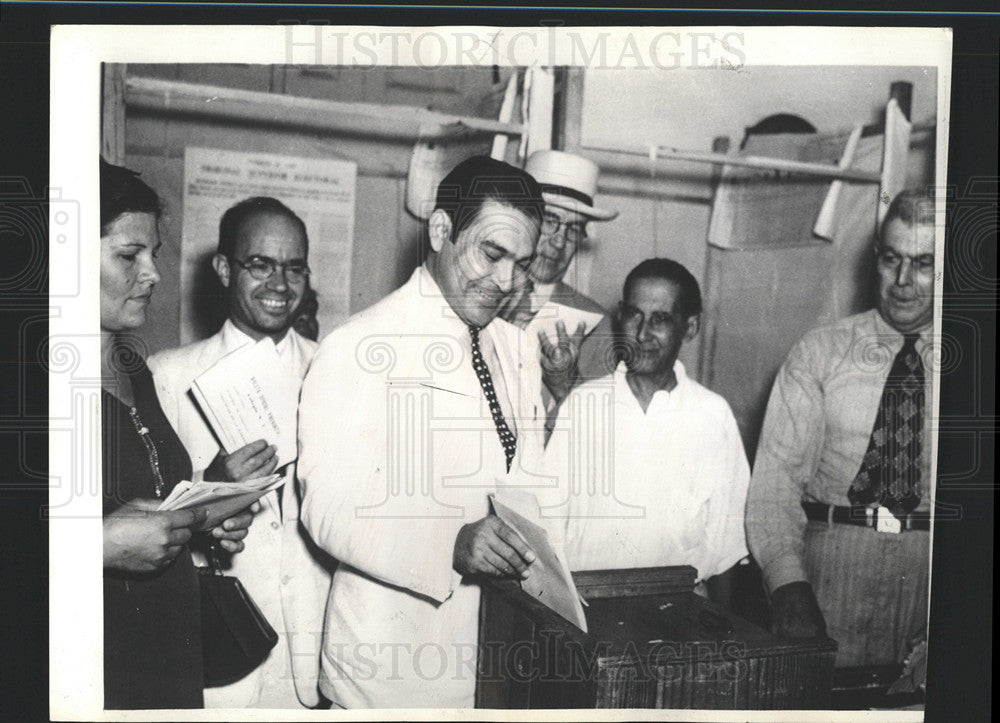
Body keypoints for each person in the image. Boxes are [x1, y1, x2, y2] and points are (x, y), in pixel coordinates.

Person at [298, 155, 555, 708]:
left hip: (490, 665)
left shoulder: (515, 348)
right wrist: (452, 543)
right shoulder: (359, 344)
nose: (507, 282)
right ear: (441, 231)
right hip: (384, 679)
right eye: (492, 254)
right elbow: (328, 506)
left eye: (522, 262)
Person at [148, 197, 333, 708]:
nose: (280, 284)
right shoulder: (167, 376)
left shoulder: (333, 369)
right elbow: (141, 527)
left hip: (314, 655)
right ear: (225, 269)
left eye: (295, 268)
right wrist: (212, 490)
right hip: (219, 655)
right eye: (260, 265)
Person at [745, 188, 937, 668]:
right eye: (892, 259)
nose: (903, 281)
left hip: (932, 572)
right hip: (830, 568)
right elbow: (775, 485)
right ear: (875, 257)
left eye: (923, 263)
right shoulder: (819, 352)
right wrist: (788, 585)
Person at [99, 158, 252, 709]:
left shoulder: (135, 371)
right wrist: (98, 546)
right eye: (127, 255)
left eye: (154, 254)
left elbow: (143, 497)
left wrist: (207, 503)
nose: (153, 273)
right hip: (92, 662)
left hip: (168, 652)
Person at [555, 258, 750, 606]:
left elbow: (726, 549)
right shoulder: (582, 405)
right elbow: (546, 526)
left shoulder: (712, 415)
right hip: (587, 611)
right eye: (634, 315)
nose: (642, 333)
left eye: (660, 319)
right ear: (620, 316)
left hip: (679, 617)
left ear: (689, 328)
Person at [500, 150, 619, 407]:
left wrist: (567, 385)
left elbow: (602, 432)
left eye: (574, 229)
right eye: (550, 221)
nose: (559, 241)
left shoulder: (598, 326)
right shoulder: (472, 295)